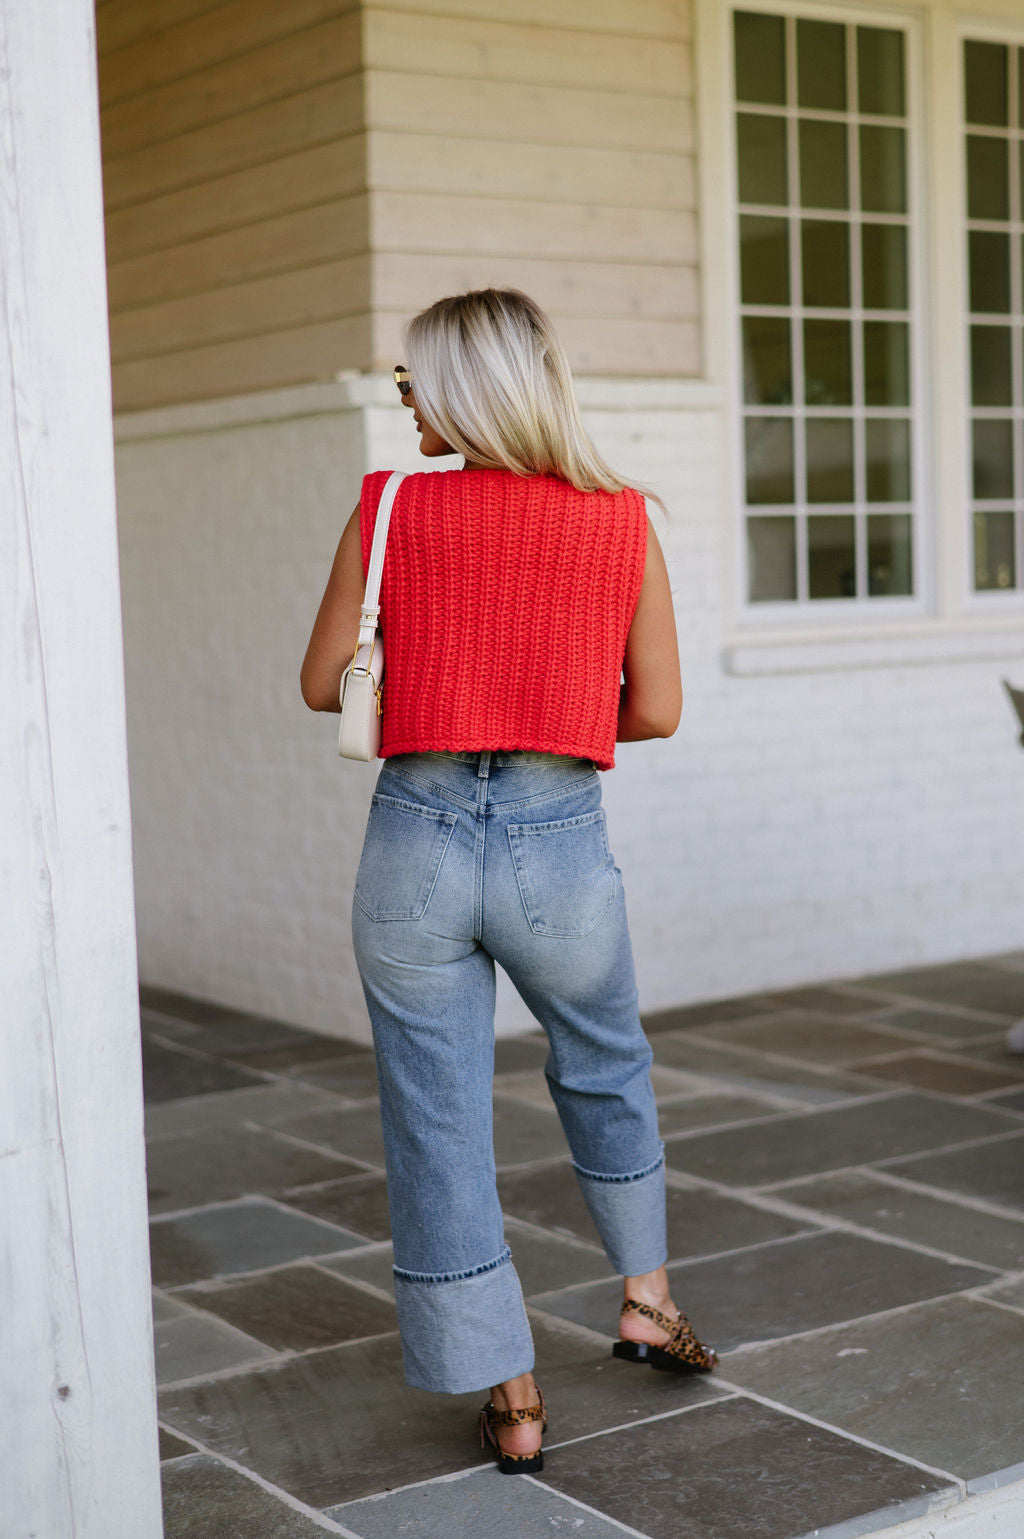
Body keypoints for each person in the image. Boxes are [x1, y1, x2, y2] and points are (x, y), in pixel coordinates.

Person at [300, 289, 715, 1474]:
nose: (405, 400)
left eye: (414, 380)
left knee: (436, 1118)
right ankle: (646, 1299)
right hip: (560, 843)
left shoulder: (389, 509)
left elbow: (324, 681)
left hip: (413, 847)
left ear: (466, 389)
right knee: (605, 1062)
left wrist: (439, 676)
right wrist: (544, 707)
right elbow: (660, 710)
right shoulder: (619, 516)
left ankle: (513, 1391)